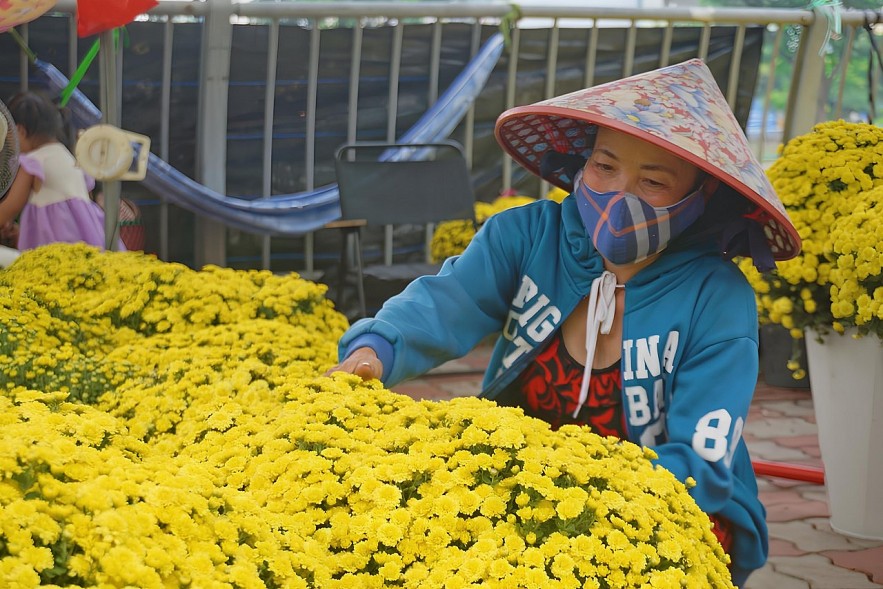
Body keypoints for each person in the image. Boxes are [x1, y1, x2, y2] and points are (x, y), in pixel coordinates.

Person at [325, 59, 801, 585]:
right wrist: (374, 352)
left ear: (700, 197)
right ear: (581, 164)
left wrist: (583, 502)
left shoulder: (717, 297)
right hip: (516, 483)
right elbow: (446, 301)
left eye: (654, 180)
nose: (620, 194)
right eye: (604, 166)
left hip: (659, 507)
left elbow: (702, 461)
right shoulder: (526, 237)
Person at [0, 91, 121, 251]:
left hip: (56, 246)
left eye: (10, 139)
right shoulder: (67, 156)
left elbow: (10, 207)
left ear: (20, 131)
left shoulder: (34, 162)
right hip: (89, 239)